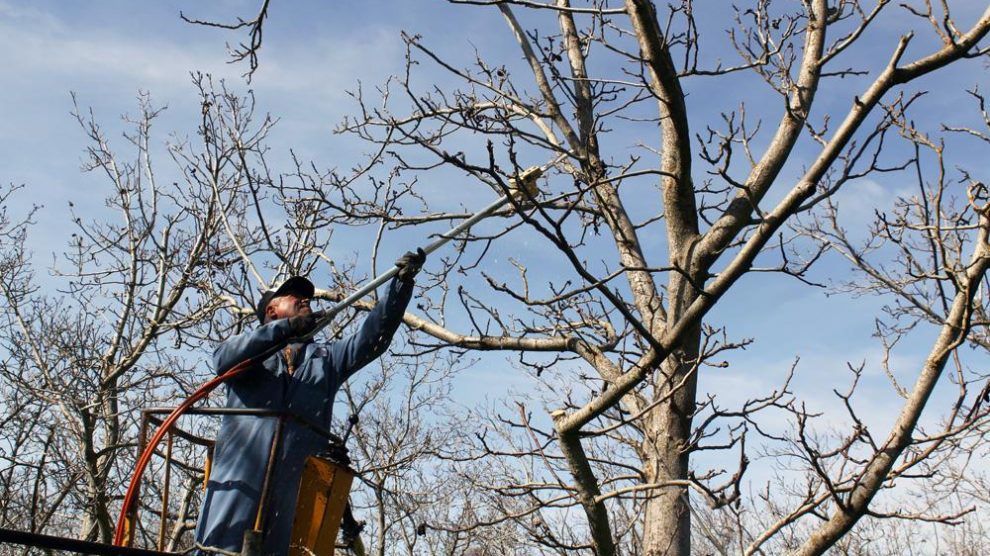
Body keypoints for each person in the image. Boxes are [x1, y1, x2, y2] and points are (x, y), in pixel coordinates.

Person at [194, 249, 426, 556]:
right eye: (293, 296)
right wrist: (286, 330)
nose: (305, 300)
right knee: (217, 550)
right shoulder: (250, 354)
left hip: (291, 490)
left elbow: (373, 338)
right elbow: (223, 359)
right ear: (272, 311)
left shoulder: (327, 360)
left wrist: (400, 285)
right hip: (239, 482)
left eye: (308, 298)